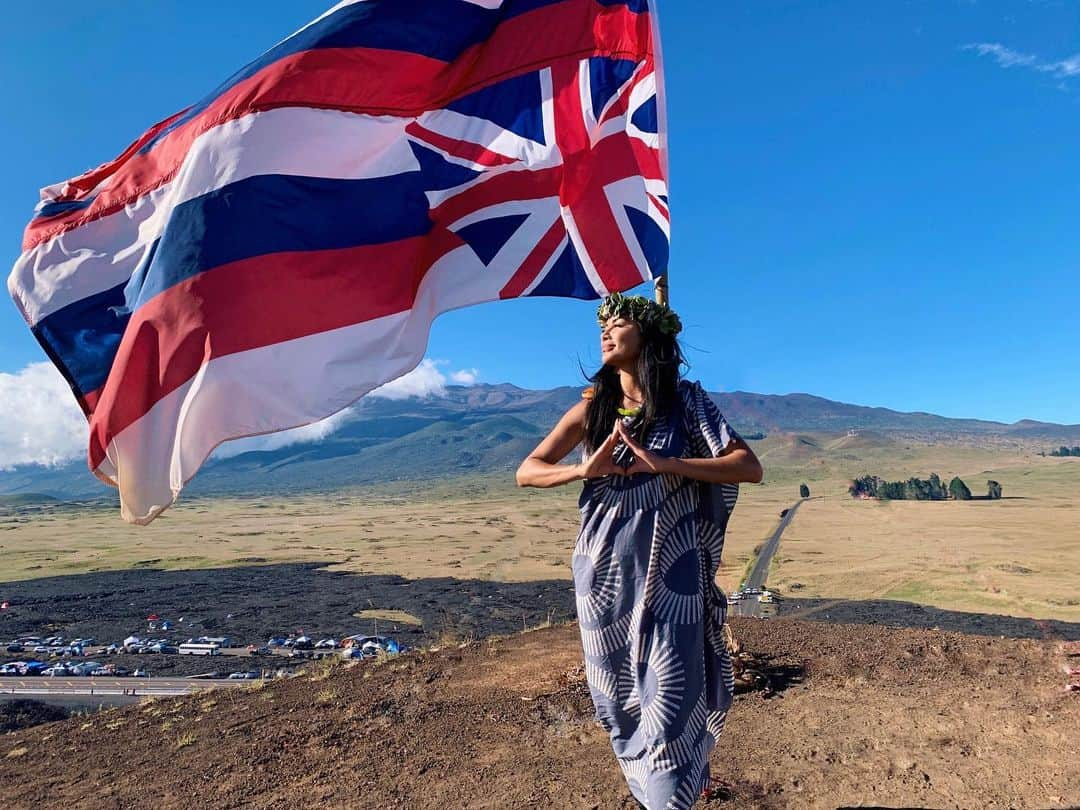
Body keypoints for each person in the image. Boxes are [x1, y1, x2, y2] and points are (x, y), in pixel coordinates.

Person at [516, 292, 763, 809]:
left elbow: (746, 465)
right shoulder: (592, 408)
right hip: (602, 578)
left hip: (670, 579)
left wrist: (668, 465)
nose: (605, 333)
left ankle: (669, 795)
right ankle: (662, 790)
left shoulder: (687, 404)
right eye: (601, 325)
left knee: (670, 701)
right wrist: (581, 470)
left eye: (618, 322)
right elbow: (527, 471)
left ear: (649, 337)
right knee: (620, 705)